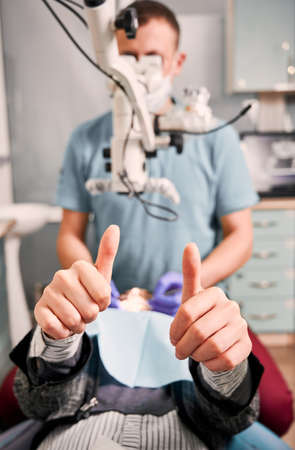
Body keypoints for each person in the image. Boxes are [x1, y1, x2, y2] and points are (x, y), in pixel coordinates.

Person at [54, 0, 293, 436]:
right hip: (110, 309)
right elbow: (70, 233)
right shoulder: (86, 140)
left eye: (152, 58)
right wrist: (89, 280)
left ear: (177, 62)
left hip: (197, 306)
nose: (138, 69)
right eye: (126, 57)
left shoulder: (215, 138)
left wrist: (194, 285)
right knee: (13, 396)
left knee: (275, 406)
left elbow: (241, 236)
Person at [9, 225, 268, 450]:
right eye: (127, 297)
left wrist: (223, 366)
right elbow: (37, 403)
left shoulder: (198, 345)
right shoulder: (86, 340)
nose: (135, 302)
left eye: (143, 301)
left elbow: (235, 417)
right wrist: (59, 336)